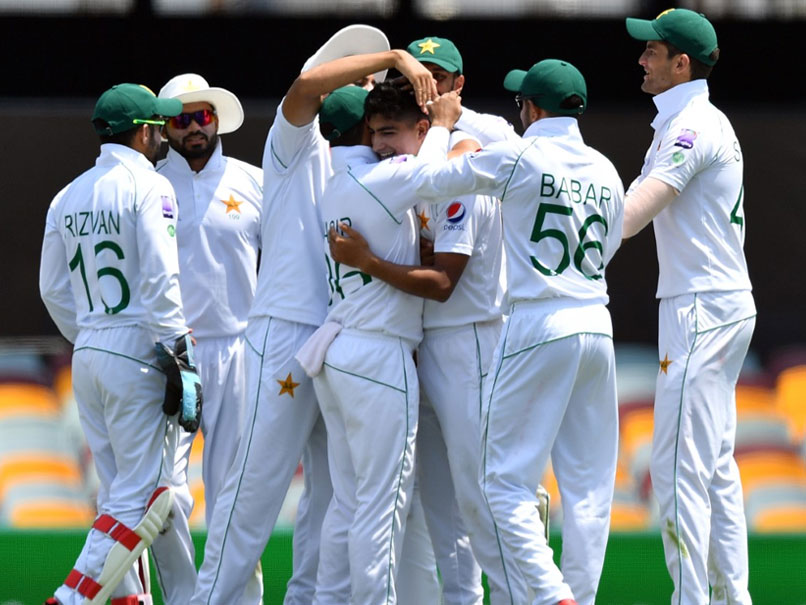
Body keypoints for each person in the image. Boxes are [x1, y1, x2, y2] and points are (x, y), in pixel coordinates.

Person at [189, 28, 436, 604]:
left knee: (300, 497)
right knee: (307, 497)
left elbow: (307, 88)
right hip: (309, 336)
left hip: (327, 336)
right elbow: (305, 87)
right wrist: (393, 58)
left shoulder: (344, 162)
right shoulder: (302, 149)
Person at [404, 59, 625, 604]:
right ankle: (580, 593)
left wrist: (442, 127)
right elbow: (613, 241)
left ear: (532, 109)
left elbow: (425, 180)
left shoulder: (520, 154)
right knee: (589, 488)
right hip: (597, 320)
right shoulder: (605, 168)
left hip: (537, 319)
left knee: (500, 484)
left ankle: (552, 597)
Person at [326, 91, 530, 605]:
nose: (379, 144)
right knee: (423, 500)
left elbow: (442, 280)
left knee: (476, 491)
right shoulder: (401, 179)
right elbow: (430, 245)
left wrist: (373, 261)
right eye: (373, 132)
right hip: (407, 348)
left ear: (424, 126)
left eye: (390, 131)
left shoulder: (435, 172)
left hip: (464, 340)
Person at [39, 83, 202, 605]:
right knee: (149, 493)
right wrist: (179, 354)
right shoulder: (150, 186)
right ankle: (73, 596)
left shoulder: (66, 194)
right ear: (145, 131)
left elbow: (51, 289)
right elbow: (160, 279)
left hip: (88, 350)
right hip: (139, 352)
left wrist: (91, 333)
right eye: (159, 127)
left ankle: (135, 598)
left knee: (119, 491)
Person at [296, 80, 450, 605]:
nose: (384, 141)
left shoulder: (332, 182)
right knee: (382, 507)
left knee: (348, 501)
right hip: (378, 353)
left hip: (339, 352)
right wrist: (447, 126)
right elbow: (444, 171)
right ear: (363, 130)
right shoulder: (388, 177)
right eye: (377, 131)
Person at [623, 9, 756, 604]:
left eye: (651, 52)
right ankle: (732, 598)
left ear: (682, 63)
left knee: (676, 467)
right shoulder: (692, 119)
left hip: (700, 307)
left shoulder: (691, 126)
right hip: (718, 301)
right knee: (716, 467)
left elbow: (629, 216)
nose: (641, 60)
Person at [151, 73, 263, 604]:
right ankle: (187, 598)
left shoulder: (254, 180)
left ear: (217, 119)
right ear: (165, 127)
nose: (195, 128)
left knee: (234, 500)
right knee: (165, 498)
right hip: (171, 355)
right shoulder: (148, 186)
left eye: (203, 116)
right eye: (181, 119)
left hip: (240, 350)